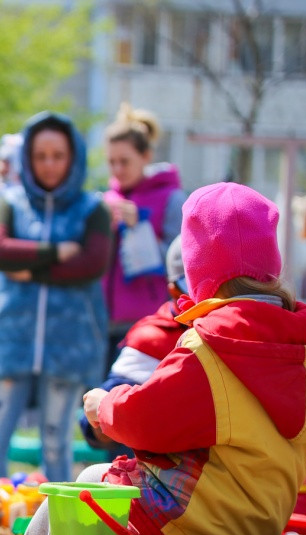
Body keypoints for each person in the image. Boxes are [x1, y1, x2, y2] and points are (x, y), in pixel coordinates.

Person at [0, 183, 306, 535]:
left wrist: (106, 405)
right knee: (142, 492)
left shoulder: (213, 347)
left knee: (87, 488)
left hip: (198, 521)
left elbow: (146, 421)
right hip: (263, 525)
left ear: (200, 268)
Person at [0, 111, 112, 486]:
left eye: (58, 156)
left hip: (68, 344)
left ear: (73, 158)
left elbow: (92, 263)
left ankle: (54, 518)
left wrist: (29, 268)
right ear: (27, 159)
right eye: (40, 156)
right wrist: (57, 251)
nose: (49, 165)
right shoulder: (9, 201)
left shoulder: (92, 209)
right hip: (8, 338)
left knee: (56, 443)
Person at [80, 236, 188, 457]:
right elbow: (97, 417)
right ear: (174, 290)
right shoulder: (153, 338)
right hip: (159, 463)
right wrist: (102, 417)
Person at [101, 103, 186, 373]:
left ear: (146, 156)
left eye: (124, 161)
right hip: (101, 321)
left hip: (148, 323)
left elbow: (180, 264)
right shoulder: (106, 200)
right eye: (111, 162)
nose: (117, 169)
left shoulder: (171, 199)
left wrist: (140, 228)